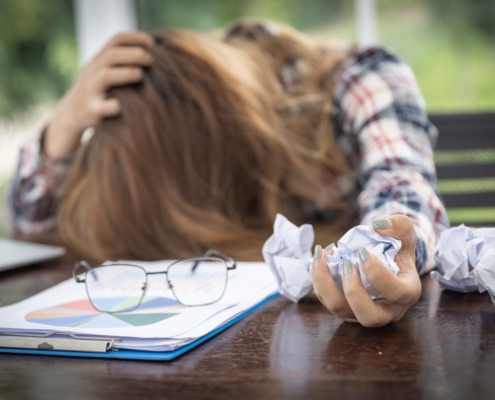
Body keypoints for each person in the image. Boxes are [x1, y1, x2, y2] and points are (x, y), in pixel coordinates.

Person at [7, 18, 449, 327]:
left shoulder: (363, 79)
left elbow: (403, 190)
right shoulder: (144, 127)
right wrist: (60, 132)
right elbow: (34, 226)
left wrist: (387, 256)